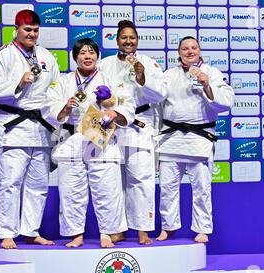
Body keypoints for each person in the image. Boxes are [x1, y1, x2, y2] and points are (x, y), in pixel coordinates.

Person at [44, 38, 135, 248]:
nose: (87, 56)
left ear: (97, 56)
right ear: (75, 57)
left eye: (92, 52)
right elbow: (48, 107)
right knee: (71, 190)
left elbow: (127, 104)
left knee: (107, 189)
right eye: (83, 53)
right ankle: (75, 234)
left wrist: (113, 110)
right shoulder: (64, 82)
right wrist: (65, 107)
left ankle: (107, 233)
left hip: (101, 136)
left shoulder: (110, 79)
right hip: (72, 138)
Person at [0, 10, 60, 249]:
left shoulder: (46, 56)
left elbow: (56, 88)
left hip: (40, 128)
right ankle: (7, 233)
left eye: (36, 30)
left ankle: (30, 230)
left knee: (38, 184)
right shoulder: (3, 55)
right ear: (16, 29)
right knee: (10, 182)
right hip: (12, 127)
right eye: (27, 30)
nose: (32, 34)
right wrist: (18, 82)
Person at [155, 36, 234, 243]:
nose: (189, 51)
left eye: (193, 48)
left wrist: (207, 85)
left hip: (199, 138)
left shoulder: (212, 72)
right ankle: (168, 226)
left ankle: (202, 228)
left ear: (199, 50)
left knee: (201, 188)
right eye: (185, 48)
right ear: (178, 52)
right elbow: (157, 101)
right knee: (167, 187)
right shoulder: (168, 75)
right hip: (171, 138)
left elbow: (226, 102)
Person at [98, 20, 164, 245]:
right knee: (112, 181)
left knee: (141, 179)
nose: (128, 41)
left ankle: (143, 229)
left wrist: (142, 78)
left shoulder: (148, 63)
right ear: (117, 40)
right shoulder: (105, 64)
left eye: (132, 37)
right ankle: (117, 229)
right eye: (124, 37)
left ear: (137, 40)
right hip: (111, 125)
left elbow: (161, 95)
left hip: (139, 124)